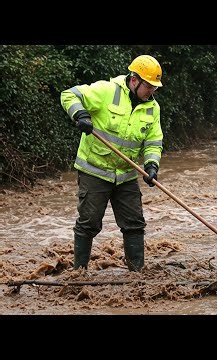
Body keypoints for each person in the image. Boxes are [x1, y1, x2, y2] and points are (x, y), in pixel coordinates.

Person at [60, 55, 164, 272]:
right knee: (88, 224)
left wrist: (152, 165)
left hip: (126, 175)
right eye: (149, 86)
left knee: (135, 224)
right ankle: (79, 273)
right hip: (95, 171)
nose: (152, 91)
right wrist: (80, 114)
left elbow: (154, 141)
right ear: (134, 80)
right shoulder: (107, 91)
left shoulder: (153, 108)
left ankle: (137, 275)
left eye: (155, 87)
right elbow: (69, 95)